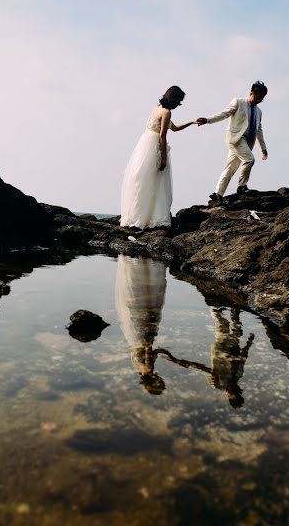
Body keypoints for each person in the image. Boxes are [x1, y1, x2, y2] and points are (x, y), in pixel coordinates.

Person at [120, 86, 194, 228]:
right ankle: (151, 218)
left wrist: (191, 122)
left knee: (142, 181)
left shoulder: (157, 108)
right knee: (155, 182)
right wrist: (164, 157)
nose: (179, 104)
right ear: (174, 99)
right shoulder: (166, 112)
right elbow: (162, 135)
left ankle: (137, 215)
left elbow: (175, 128)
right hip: (154, 146)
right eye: (179, 101)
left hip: (144, 144)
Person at [195, 81, 269, 204]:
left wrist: (263, 147)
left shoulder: (259, 112)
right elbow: (224, 114)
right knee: (249, 160)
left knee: (230, 167)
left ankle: (217, 193)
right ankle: (242, 186)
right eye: (257, 98)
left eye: (261, 99)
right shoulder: (238, 102)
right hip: (236, 139)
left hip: (247, 142)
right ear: (251, 93)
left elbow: (258, 129)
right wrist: (208, 120)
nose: (258, 101)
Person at [114, 254, 169, 395]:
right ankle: (140, 265)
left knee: (145, 305)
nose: (160, 378)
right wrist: (168, 354)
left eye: (159, 382)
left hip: (142, 336)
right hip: (141, 337)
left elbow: (148, 349)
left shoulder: (145, 369)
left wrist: (153, 352)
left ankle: (139, 264)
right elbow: (151, 352)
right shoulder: (141, 368)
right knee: (145, 305)